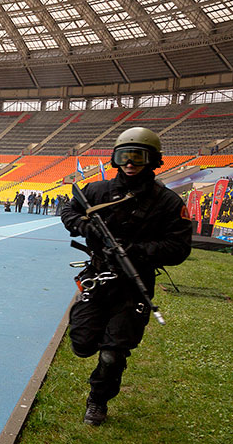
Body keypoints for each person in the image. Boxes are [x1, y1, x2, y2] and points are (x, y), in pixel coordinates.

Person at [60, 127, 191, 426]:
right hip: (97, 276)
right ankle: (97, 338)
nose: (130, 163)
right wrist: (83, 226)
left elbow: (179, 247)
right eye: (124, 156)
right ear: (115, 159)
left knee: (112, 355)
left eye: (138, 156)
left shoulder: (168, 203)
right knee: (81, 344)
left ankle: (98, 401)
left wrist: (137, 250)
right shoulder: (96, 191)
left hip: (135, 284)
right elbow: (68, 209)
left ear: (153, 160)